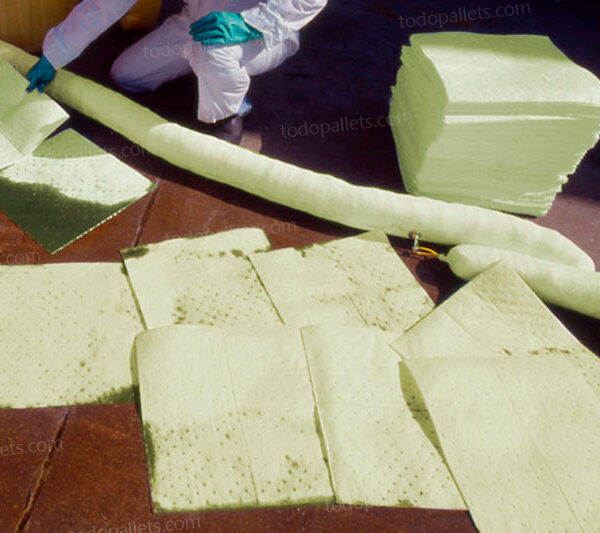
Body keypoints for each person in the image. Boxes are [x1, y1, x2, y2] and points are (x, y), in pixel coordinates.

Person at [26, 0, 327, 144]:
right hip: (195, 23)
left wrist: (251, 23)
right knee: (126, 75)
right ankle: (209, 74)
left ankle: (228, 116)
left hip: (259, 35)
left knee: (214, 52)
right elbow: (104, 5)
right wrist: (54, 55)